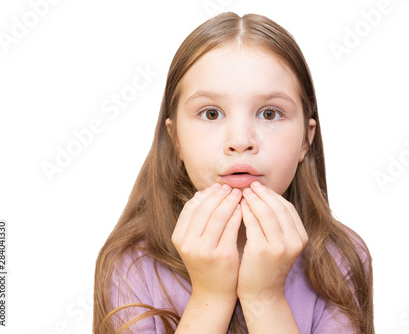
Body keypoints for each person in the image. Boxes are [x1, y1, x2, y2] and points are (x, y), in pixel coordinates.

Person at [93, 12, 374, 334]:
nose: (240, 141)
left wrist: (264, 299)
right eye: (211, 113)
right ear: (176, 141)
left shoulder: (338, 259)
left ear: (305, 141)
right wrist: (210, 297)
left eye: (270, 113)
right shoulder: (132, 265)